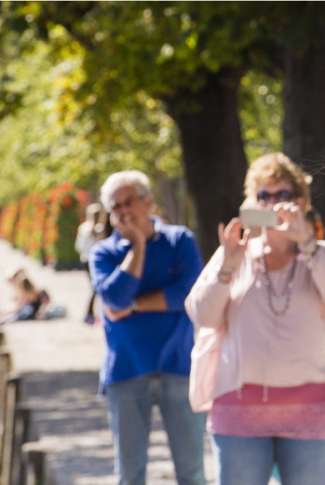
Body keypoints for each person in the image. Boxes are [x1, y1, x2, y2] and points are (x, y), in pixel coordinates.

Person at [185, 153, 325, 484]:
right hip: (239, 409)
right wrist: (228, 265)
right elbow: (202, 315)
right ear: (252, 202)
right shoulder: (234, 253)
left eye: (282, 196)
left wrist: (306, 242)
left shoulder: (322, 254)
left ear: (301, 202)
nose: (273, 204)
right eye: (264, 196)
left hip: (312, 408)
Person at [90, 170, 206, 484]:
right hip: (127, 371)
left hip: (178, 367)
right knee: (130, 474)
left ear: (148, 202)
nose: (123, 211)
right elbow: (115, 298)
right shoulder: (103, 252)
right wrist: (138, 246)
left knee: (192, 472)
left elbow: (188, 294)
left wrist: (136, 305)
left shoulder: (179, 239)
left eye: (129, 202)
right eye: (116, 207)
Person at [77, 202, 109, 324]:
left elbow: (79, 246)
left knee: (95, 288)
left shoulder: (83, 228)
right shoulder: (100, 228)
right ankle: (91, 313)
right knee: (96, 288)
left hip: (85, 260)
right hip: (95, 261)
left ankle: (93, 313)